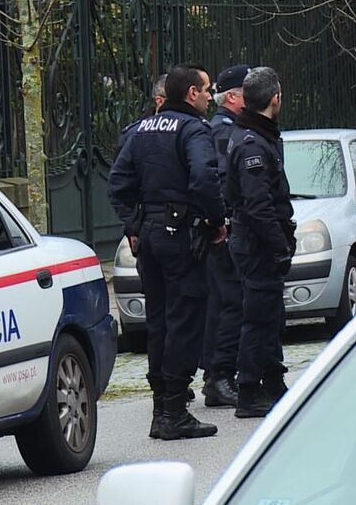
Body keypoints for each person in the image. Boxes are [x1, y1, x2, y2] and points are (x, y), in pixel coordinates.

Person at [108, 64, 226, 440]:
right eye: (207, 90)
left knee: (158, 321)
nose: (211, 96)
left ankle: (162, 409)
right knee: (185, 320)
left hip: (150, 238)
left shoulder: (141, 130)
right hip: (181, 237)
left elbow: (118, 184)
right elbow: (205, 177)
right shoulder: (193, 129)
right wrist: (216, 220)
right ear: (191, 93)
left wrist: (135, 225)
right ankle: (174, 410)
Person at [225, 66, 295, 418]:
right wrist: (279, 245)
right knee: (258, 317)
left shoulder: (258, 135)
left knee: (270, 315)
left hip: (258, 242)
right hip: (257, 244)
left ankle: (272, 379)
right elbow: (258, 205)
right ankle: (250, 389)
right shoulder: (253, 143)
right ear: (274, 99)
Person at [201, 64, 250, 408]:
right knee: (230, 303)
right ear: (232, 96)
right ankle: (219, 376)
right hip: (225, 231)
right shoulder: (222, 131)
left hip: (226, 229)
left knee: (227, 302)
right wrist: (224, 220)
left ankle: (219, 375)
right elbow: (218, 181)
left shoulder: (228, 128)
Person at [115, 74, 168, 257]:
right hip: (146, 224)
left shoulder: (191, 130)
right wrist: (132, 226)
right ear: (159, 101)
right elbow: (120, 184)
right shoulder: (135, 134)